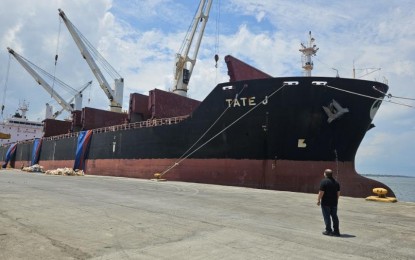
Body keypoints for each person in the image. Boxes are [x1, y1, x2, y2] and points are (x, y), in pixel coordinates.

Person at [317, 168, 341, 236]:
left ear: (325, 174)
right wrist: (336, 200)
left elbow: (321, 192)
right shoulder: (336, 183)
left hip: (325, 203)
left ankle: (328, 231)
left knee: (326, 217)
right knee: (334, 216)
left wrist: (318, 200)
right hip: (334, 203)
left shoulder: (324, 182)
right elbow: (338, 193)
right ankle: (336, 231)